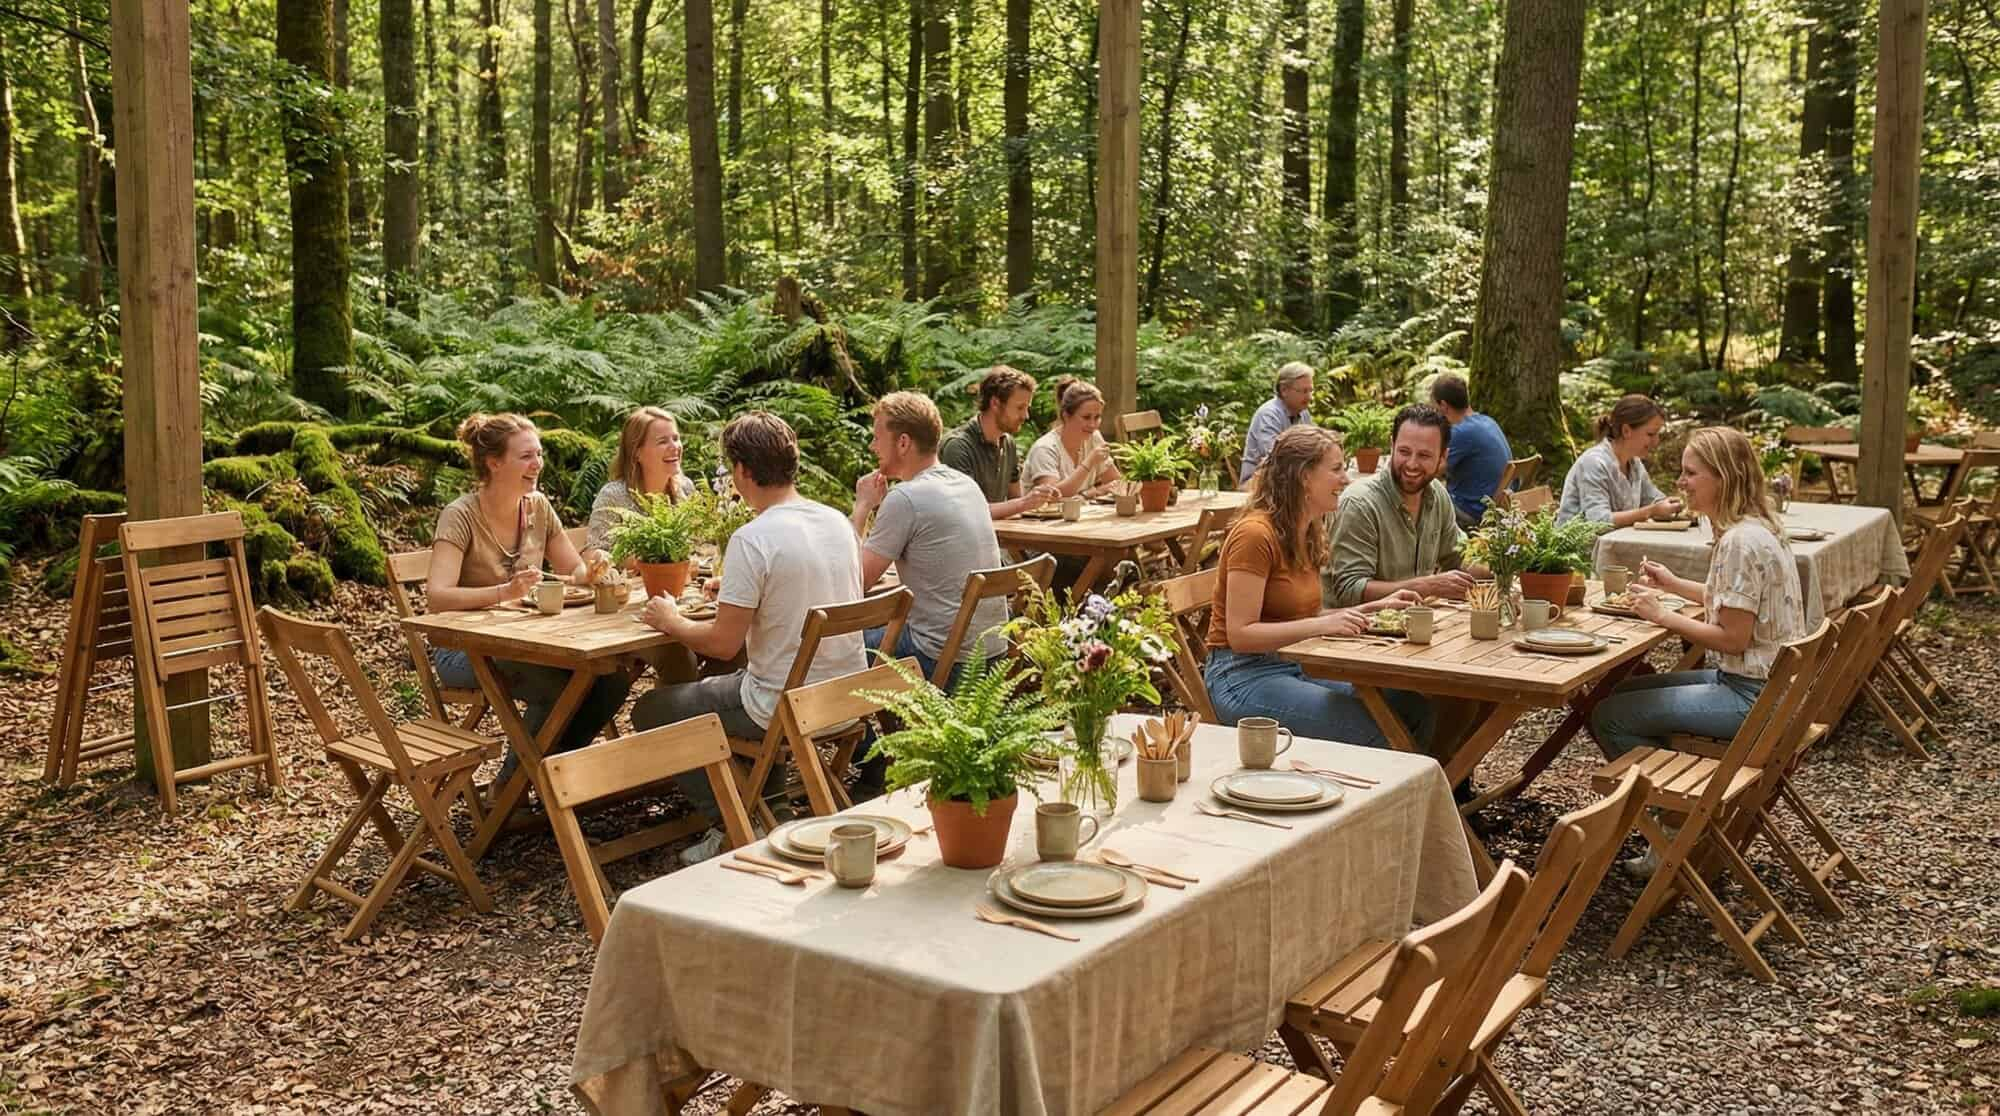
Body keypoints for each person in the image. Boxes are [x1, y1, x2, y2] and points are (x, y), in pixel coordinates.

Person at [632, 412, 866, 861]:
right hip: (846, 695)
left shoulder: (753, 537)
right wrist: (740, 592)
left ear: (741, 471)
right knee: (730, 682)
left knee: (651, 709)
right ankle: (769, 801)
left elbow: (722, 644)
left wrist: (668, 619)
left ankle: (736, 823)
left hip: (784, 707)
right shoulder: (836, 521)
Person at [1590, 426, 1808, 876]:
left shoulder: (1739, 543)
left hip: (1752, 699)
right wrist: (1673, 585)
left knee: (1609, 716)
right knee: (1626, 692)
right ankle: (1678, 814)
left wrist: (1660, 615)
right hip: (1767, 689)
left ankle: (1671, 830)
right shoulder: (1758, 529)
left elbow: (1733, 638)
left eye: (1691, 473)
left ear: (1723, 477)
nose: (1682, 482)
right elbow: (1734, 601)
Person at [424, 413, 630, 779]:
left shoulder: (537, 507)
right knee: (563, 684)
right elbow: (437, 597)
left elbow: (574, 571)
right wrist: (505, 592)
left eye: (539, 454)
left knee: (612, 678)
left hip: (528, 642)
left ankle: (549, 776)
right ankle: (514, 787)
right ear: (494, 462)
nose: (537, 464)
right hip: (464, 650)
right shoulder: (460, 516)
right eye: (526, 456)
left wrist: (595, 568)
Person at [1204, 425, 1432, 749]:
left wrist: (1369, 609)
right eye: (1337, 469)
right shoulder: (1255, 534)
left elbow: (1304, 616)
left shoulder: (1307, 529)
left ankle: (1425, 796)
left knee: (1411, 707)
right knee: (1376, 729)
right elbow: (1240, 635)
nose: (1346, 479)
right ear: (1303, 477)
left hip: (1296, 665)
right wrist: (1324, 624)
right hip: (1242, 676)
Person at [850, 392, 1007, 684]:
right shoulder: (965, 484)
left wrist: (861, 508)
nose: (873, 446)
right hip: (993, 654)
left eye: (877, 437)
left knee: (835, 646)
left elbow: (854, 583)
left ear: (903, 442)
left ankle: (861, 730)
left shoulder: (905, 499)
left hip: (943, 660)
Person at [1325, 404, 1485, 607]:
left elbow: (1459, 558)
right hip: (1355, 632)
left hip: (1415, 626)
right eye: (1404, 451)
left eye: (1424, 455)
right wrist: (1427, 586)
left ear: (1443, 457)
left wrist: (1506, 564)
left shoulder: (1437, 495)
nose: (1411, 464)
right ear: (1392, 446)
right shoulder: (1360, 503)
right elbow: (1349, 590)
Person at [939, 365, 1060, 519]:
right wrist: (1025, 502)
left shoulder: (1008, 442)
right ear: (995, 403)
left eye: (1027, 408)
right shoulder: (958, 446)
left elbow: (1015, 500)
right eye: (1020, 408)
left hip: (999, 536)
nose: (1026, 416)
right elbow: (968, 511)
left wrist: (1040, 498)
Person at [584, 406, 699, 553]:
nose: (675, 447)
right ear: (637, 452)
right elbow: (593, 554)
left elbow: (699, 544)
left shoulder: (686, 488)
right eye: (662, 441)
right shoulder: (613, 497)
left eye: (676, 438)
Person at [1556, 394, 1684, 526]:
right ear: (1626, 430)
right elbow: (1598, 521)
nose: (1656, 441)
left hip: (1616, 543)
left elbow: (1654, 499)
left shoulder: (1634, 464)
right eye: (1650, 434)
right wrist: (1651, 511)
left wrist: (1676, 505)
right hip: (1583, 546)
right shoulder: (1594, 463)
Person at [1428, 373, 1513, 529]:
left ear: (1444, 406)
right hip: (1499, 507)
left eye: (1434, 407)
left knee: (1419, 496)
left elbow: (1430, 472)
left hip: (1473, 513)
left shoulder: (1460, 432)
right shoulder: (1487, 421)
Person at [1022, 380, 1122, 498]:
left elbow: (1117, 483)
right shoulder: (1045, 448)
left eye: (1097, 417)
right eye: (1086, 417)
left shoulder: (1094, 437)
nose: (1093, 424)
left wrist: (1089, 494)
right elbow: (1051, 496)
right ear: (1066, 416)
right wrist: (1089, 463)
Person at [1239, 361, 1315, 486]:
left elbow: (1314, 447)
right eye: (1304, 391)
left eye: (1311, 391)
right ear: (1284, 390)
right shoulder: (1269, 414)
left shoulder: (1303, 413)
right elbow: (1276, 457)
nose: (1310, 397)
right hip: (1258, 484)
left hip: (1288, 480)